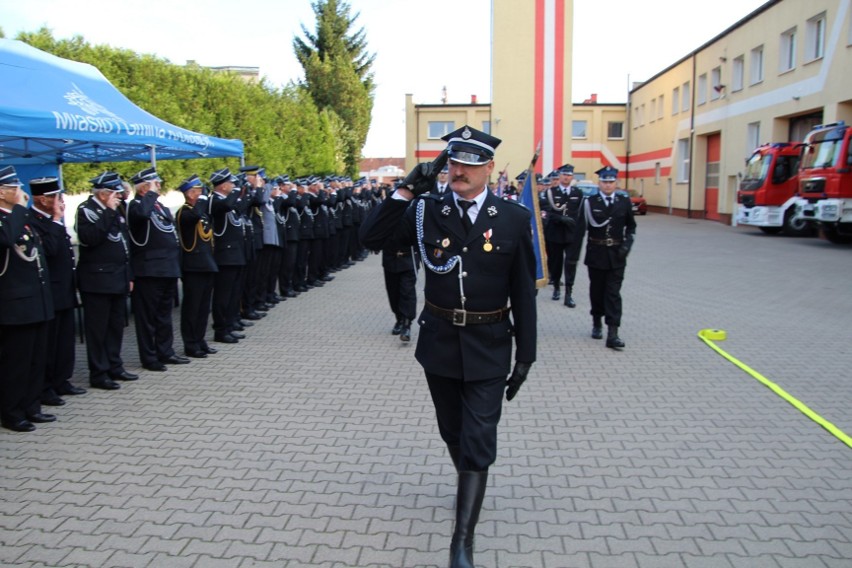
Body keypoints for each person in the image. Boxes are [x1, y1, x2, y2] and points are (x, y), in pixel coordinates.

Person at [360, 125, 536, 568]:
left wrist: (527, 356)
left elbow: (523, 293)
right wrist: (403, 190)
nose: (460, 171)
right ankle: (468, 480)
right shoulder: (425, 211)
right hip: (439, 340)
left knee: (479, 436)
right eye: (454, 162)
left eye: (471, 165)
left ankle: (462, 541)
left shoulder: (512, 218)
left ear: (489, 169)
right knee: (452, 431)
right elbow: (371, 239)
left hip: (491, 342)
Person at [0, 166, 56, 432]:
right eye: (15, 189)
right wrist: (21, 209)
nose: (21, 193)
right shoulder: (7, 221)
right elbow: (6, 240)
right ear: (2, 192)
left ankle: (32, 406)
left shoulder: (18, 219)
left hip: (36, 301)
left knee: (36, 359)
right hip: (15, 305)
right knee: (17, 363)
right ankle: (12, 412)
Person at [76, 172, 137, 390]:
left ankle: (114, 365)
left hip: (118, 277)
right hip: (97, 281)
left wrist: (129, 275)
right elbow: (91, 238)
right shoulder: (86, 210)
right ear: (103, 194)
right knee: (97, 329)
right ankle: (98, 372)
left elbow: (124, 245)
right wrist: (109, 212)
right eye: (115, 193)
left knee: (115, 326)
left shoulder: (115, 210)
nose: (119, 197)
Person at [29, 177, 86, 406]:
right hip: (49, 292)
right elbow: (50, 251)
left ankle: (62, 380)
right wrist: (55, 219)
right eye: (54, 197)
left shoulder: (53, 221)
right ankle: (46, 386)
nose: (59, 201)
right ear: (42, 199)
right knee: (49, 344)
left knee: (65, 341)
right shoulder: (34, 221)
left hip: (64, 289)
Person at [127, 166, 188, 371]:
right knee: (147, 318)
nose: (159, 186)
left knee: (164, 315)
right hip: (149, 270)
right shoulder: (134, 206)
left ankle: (165, 351)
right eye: (154, 184)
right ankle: (149, 357)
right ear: (144, 187)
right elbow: (142, 215)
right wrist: (151, 194)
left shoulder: (159, 206)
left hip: (168, 267)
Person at [583, 165, 636, 349]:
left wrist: (627, 245)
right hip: (596, 254)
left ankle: (613, 332)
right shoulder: (590, 202)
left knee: (613, 294)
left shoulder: (623, 202)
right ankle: (597, 321)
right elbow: (581, 230)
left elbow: (631, 227)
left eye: (611, 182)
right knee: (597, 292)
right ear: (599, 183)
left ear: (616, 183)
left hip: (617, 255)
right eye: (604, 182)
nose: (607, 185)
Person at [175, 174, 218, 358]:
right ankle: (190, 344)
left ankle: (200, 340)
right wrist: (201, 201)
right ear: (190, 193)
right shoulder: (184, 213)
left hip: (207, 264)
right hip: (193, 266)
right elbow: (194, 216)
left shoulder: (199, 212)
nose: (201, 194)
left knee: (203, 307)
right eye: (197, 191)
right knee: (192, 308)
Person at [209, 168, 248, 343]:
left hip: (236, 252)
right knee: (223, 295)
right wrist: (236, 191)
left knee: (234, 293)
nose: (233, 186)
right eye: (230, 183)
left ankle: (230, 324)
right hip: (225, 254)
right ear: (223, 186)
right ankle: (221, 329)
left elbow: (240, 208)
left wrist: (246, 191)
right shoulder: (215, 201)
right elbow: (225, 207)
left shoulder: (228, 200)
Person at [542, 164, 585, 307]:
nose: (566, 177)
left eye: (569, 175)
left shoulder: (577, 193)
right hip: (556, 233)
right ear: (559, 176)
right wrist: (560, 218)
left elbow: (581, 215)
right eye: (564, 175)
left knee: (571, 264)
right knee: (556, 262)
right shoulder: (551, 192)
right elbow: (547, 212)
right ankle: (556, 288)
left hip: (572, 235)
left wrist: (580, 234)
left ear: (572, 177)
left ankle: (569, 293)